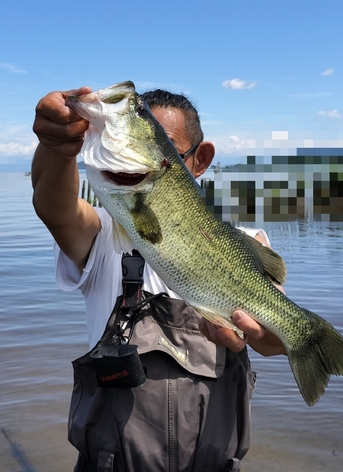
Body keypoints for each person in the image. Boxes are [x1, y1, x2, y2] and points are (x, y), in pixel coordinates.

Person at [32, 85, 286, 472]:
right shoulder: (102, 237)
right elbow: (54, 207)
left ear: (200, 161)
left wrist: (258, 335)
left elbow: (276, 343)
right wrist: (56, 146)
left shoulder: (246, 245)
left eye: (169, 147)